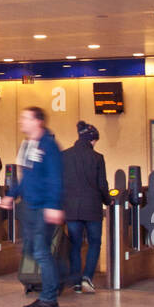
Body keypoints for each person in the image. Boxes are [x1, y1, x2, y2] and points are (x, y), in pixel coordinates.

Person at [1, 106, 64, 307]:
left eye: (26, 118)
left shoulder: (49, 146)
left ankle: (49, 298)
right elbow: (25, 176)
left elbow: (55, 178)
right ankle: (58, 280)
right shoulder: (28, 145)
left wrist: (54, 206)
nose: (22, 122)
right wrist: (12, 194)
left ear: (38, 122)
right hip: (28, 205)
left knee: (40, 251)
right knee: (30, 249)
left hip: (43, 207)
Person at [62, 120, 109, 294]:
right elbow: (102, 184)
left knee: (75, 244)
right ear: (92, 139)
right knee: (94, 242)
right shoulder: (97, 158)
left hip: (71, 208)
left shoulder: (64, 156)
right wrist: (108, 200)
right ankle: (87, 278)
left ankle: (75, 281)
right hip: (92, 208)